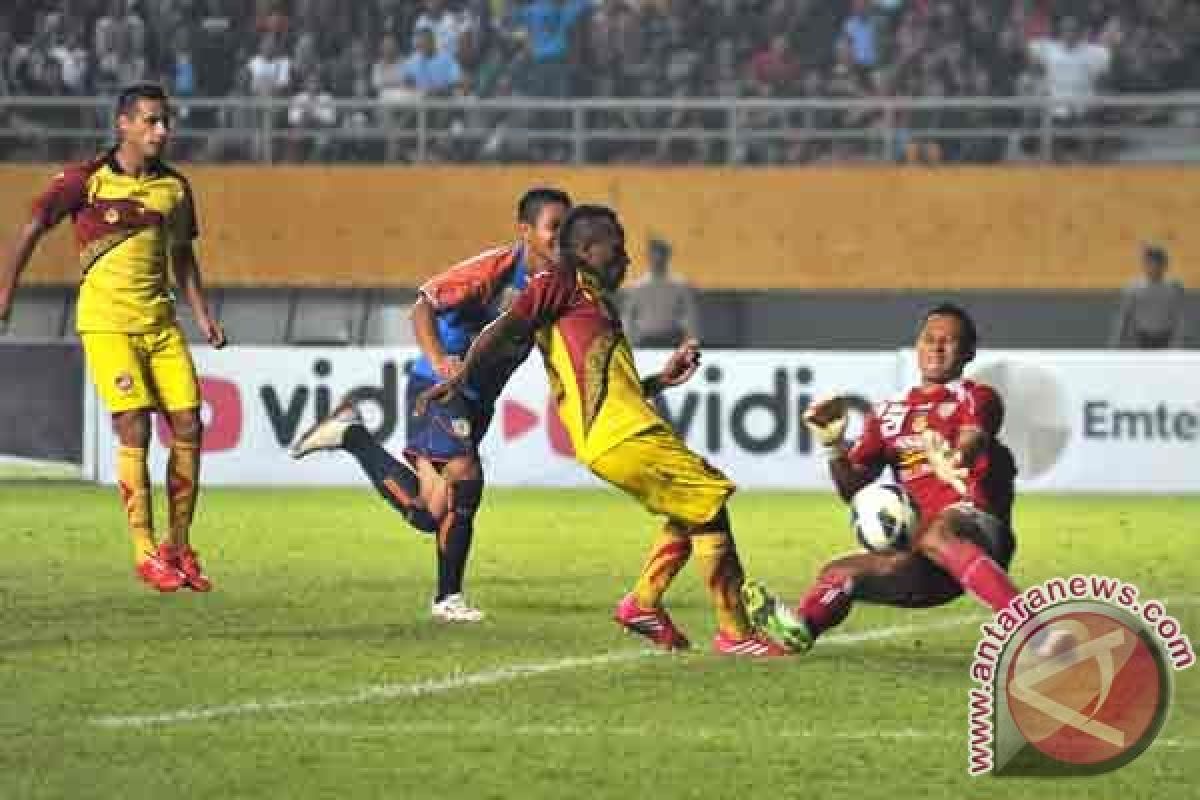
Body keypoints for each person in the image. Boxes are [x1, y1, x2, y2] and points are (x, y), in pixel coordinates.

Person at [416, 205, 788, 656]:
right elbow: (503, 327)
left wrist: (660, 380)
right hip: (621, 435)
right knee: (709, 501)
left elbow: (606, 385)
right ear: (587, 250)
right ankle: (735, 633)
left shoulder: (593, 301)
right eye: (617, 248)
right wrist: (459, 374)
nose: (626, 259)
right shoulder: (557, 284)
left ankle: (644, 605)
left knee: (693, 507)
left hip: (626, 428)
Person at [289, 188, 572, 622]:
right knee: (466, 473)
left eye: (567, 229)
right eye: (554, 228)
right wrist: (441, 361)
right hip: (437, 390)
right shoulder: (495, 269)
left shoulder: (559, 286)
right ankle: (447, 599)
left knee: (428, 515)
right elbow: (422, 305)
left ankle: (351, 434)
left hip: (478, 401)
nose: (561, 238)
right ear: (525, 231)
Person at [0, 82, 226, 592]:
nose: (161, 131)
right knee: (135, 428)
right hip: (106, 324)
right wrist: (5, 296)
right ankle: (144, 550)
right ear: (123, 123)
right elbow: (32, 226)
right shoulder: (86, 181)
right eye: (150, 120)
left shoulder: (174, 188)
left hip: (160, 324)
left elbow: (183, 257)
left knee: (190, 424)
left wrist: (203, 315)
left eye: (165, 121)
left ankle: (178, 544)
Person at [743, 303, 1023, 653]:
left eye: (949, 341)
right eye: (929, 339)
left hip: (977, 528)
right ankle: (799, 630)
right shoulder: (890, 413)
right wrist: (832, 446)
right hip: (925, 559)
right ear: (917, 347)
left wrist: (952, 458)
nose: (937, 347)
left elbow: (972, 440)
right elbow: (853, 489)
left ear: (968, 352)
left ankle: (1028, 625)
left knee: (938, 530)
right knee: (841, 573)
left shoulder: (977, 396)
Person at [619, 236, 700, 348]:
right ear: (648, 257)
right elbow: (628, 318)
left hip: (673, 340)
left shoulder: (680, 286)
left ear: (667, 256)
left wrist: (691, 342)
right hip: (645, 340)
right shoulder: (637, 288)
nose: (657, 258)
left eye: (661, 254)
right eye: (654, 254)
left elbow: (690, 317)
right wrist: (629, 342)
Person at [1110, 244, 1186, 349]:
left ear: (1164, 265)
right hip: (1141, 338)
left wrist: (1178, 341)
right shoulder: (1133, 287)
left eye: (1157, 263)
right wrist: (1117, 341)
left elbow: (1179, 317)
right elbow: (1124, 315)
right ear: (1144, 265)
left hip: (1166, 337)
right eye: (1149, 263)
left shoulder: (1174, 287)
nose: (1153, 267)